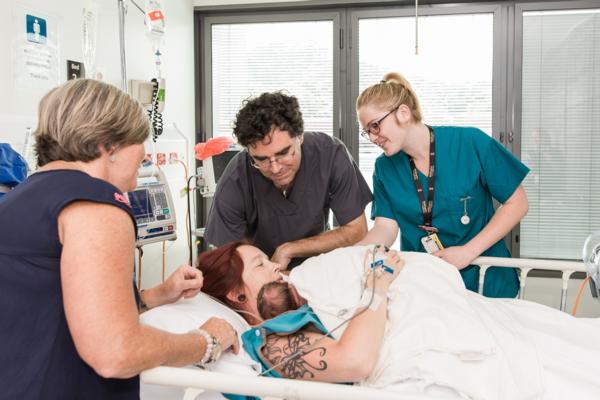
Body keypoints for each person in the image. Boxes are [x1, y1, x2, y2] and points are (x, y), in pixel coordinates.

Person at [0, 79, 239, 399]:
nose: (142, 165)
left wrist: (158, 294)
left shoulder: (21, 199)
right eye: (140, 149)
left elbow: (52, 305)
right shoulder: (96, 204)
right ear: (108, 146)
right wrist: (205, 342)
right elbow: (115, 352)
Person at [198, 242, 600, 399]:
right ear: (237, 294)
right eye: (261, 265)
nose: (277, 269)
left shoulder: (299, 311)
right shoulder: (267, 342)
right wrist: (377, 287)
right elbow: (355, 361)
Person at [356, 72, 530, 298]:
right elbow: (385, 228)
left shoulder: (470, 143)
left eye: (375, 126)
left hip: (487, 281)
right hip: (430, 285)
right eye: (366, 131)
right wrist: (348, 255)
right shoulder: (384, 168)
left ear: (403, 113)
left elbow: (518, 203)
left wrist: (469, 252)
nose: (372, 137)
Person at [204, 91, 373, 269]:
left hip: (318, 268)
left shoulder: (330, 154)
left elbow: (357, 230)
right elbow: (227, 257)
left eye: (283, 153)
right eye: (261, 160)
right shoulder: (235, 180)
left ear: (299, 136)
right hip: (263, 274)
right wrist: (268, 274)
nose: (275, 168)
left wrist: (289, 249)